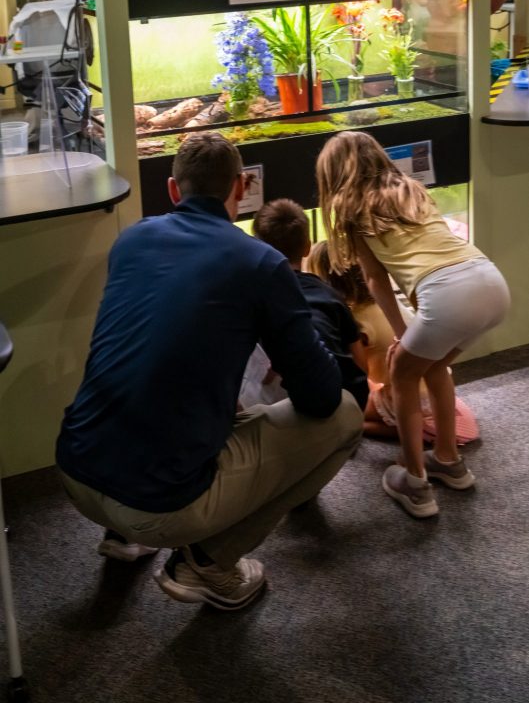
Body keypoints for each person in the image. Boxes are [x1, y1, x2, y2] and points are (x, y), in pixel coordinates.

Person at [56, 132, 363, 610]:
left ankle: (122, 535)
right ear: (241, 187)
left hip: (74, 472)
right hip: (156, 504)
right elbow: (321, 396)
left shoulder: (132, 239)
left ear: (174, 190)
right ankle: (206, 563)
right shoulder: (260, 262)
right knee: (345, 416)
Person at [316, 131, 510, 519]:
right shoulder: (412, 189)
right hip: (490, 283)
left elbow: (375, 279)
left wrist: (402, 334)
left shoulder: (351, 206)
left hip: (449, 294)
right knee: (434, 365)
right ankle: (449, 461)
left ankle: (414, 480)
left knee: (401, 375)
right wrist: (413, 335)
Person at [307, 240, 479, 444]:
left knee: (344, 415)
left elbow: (358, 371)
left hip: (405, 393)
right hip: (432, 384)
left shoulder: (357, 320)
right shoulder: (387, 301)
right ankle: (418, 425)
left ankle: (407, 429)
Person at [252, 199, 368, 410]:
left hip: (309, 409)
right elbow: (360, 363)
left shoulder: (257, 300)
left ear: (257, 248)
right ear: (307, 247)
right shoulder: (329, 294)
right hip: (351, 402)